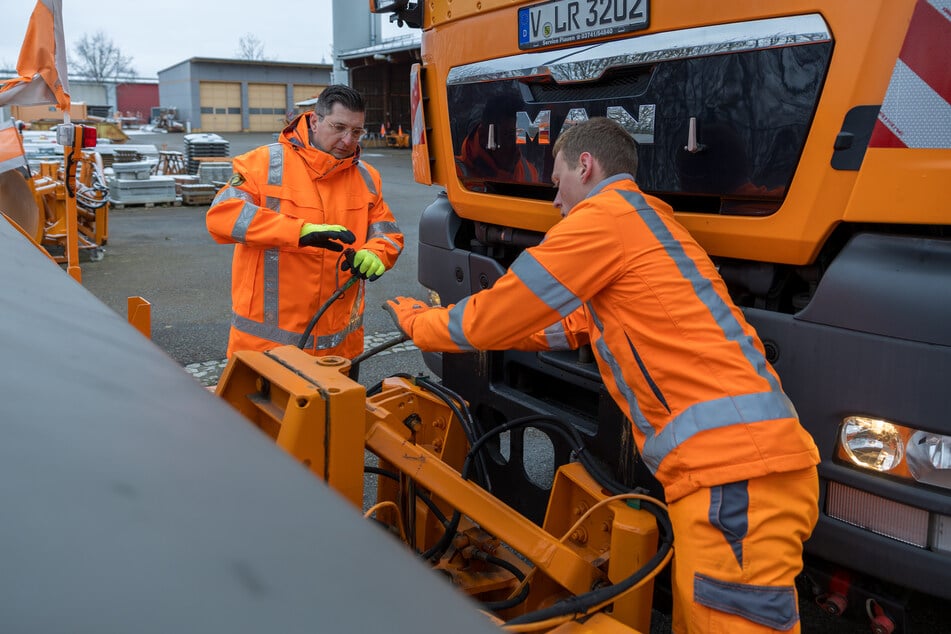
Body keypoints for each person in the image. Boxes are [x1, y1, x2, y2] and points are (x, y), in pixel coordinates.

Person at [385, 117, 820, 633]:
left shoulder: (604, 220)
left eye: (557, 182)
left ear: (585, 166)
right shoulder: (648, 227)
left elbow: (503, 309)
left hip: (733, 475)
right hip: (736, 472)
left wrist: (423, 324)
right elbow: (565, 327)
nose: (555, 201)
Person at [207, 84, 403, 363]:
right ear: (314, 120)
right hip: (265, 349)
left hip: (339, 351)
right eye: (339, 127)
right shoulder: (262, 163)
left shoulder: (366, 177)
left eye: (357, 132)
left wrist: (377, 253)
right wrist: (298, 232)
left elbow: (388, 233)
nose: (348, 140)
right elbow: (222, 217)